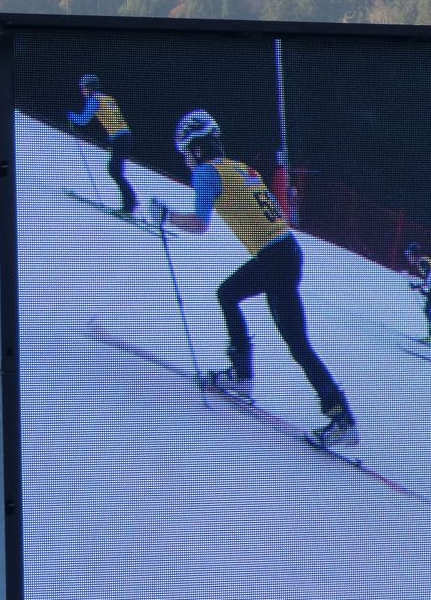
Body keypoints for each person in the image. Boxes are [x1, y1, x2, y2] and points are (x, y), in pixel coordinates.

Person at [153, 109, 357, 448]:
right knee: (228, 293)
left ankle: (341, 417)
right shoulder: (239, 167)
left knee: (297, 343)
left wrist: (167, 216)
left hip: (275, 260)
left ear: (198, 149)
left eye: (186, 151)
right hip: (284, 252)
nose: (186, 159)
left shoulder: (206, 173)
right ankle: (242, 374)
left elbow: (200, 225)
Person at [67, 73, 138, 217]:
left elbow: (83, 120)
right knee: (115, 170)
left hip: (120, 139)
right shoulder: (107, 97)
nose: (82, 91)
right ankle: (130, 203)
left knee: (114, 170)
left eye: (84, 88)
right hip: (125, 137)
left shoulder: (94, 100)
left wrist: (70, 115)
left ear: (90, 88)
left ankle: (130, 205)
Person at [403, 241, 431, 344]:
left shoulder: (422, 262)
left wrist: (417, 287)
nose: (408, 258)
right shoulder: (423, 261)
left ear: (414, 254)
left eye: (410, 255)